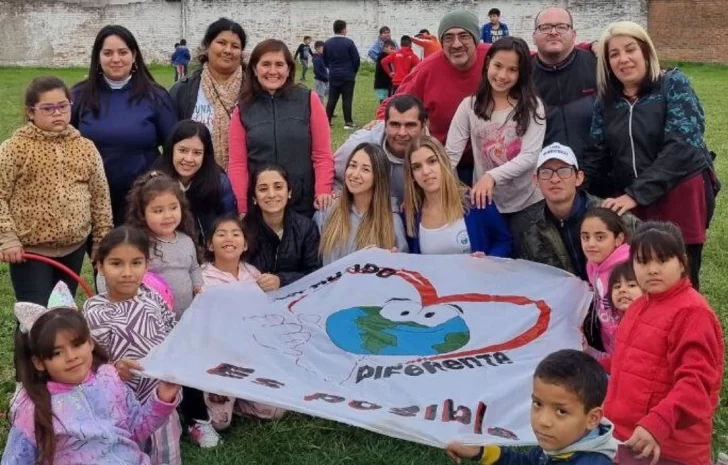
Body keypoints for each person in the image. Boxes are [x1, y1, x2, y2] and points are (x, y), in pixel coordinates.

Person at [584, 21, 717, 290]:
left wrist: (635, 193)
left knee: (679, 276)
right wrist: (570, 182)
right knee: (640, 275)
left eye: (630, 49)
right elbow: (596, 154)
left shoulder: (673, 84)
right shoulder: (606, 101)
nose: (623, 59)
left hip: (679, 193)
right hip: (632, 200)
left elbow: (683, 146)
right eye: (614, 54)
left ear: (645, 51)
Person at [603, 221, 724, 465]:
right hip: (629, 439)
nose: (652, 270)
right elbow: (626, 362)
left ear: (682, 263)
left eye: (663, 260)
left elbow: (696, 384)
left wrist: (657, 425)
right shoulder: (639, 306)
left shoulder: (693, 314)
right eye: (643, 261)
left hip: (668, 448)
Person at [3, 302, 180, 465]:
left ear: (90, 343)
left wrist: (162, 397)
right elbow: (16, 458)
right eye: (57, 353)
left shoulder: (110, 379)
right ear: (39, 363)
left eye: (77, 344)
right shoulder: (35, 407)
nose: (72, 357)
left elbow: (136, 428)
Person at [0, 76, 112, 305]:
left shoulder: (85, 148)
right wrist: (8, 238)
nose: (57, 113)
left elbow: (100, 197)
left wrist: (102, 240)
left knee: (62, 312)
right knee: (35, 317)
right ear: (31, 112)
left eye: (62, 106)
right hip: (31, 251)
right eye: (48, 108)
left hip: (74, 247)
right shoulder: (15, 148)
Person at [84, 226, 182, 463]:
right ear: (100, 266)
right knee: (128, 450)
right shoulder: (93, 311)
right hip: (121, 401)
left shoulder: (153, 297)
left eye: (136, 263)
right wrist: (113, 369)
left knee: (165, 450)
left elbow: (173, 330)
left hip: (160, 394)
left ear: (147, 265)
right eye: (116, 264)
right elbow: (90, 362)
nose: (127, 272)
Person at [71, 25, 176, 227]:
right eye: (108, 53)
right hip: (91, 198)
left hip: (142, 198)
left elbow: (173, 147)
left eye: (123, 52)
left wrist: (156, 181)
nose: (116, 59)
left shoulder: (156, 96)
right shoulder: (79, 96)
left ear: (134, 55)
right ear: (98, 57)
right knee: (104, 257)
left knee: (138, 256)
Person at [447, 349, 617, 465]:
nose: (543, 421)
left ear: (593, 418)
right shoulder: (562, 442)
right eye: (538, 404)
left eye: (561, 411)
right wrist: (480, 451)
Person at [229, 39, 334, 218]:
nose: (272, 71)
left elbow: (322, 155)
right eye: (266, 64)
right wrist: (241, 206)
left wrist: (323, 190)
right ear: (254, 69)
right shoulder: (243, 109)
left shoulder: (309, 100)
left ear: (288, 69)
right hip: (261, 207)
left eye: (279, 64)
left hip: (303, 204)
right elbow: (238, 164)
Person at [376, 11, 485, 184]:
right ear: (441, 42)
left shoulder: (494, 58)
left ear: (476, 39)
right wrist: (380, 120)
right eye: (448, 38)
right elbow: (396, 102)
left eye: (464, 36)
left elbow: (530, 59)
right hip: (445, 161)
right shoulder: (428, 68)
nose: (456, 44)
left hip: (492, 162)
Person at [199, 215, 286, 431]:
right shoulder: (202, 278)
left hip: (251, 358)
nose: (229, 238)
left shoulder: (253, 274)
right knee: (220, 423)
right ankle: (217, 397)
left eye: (236, 234)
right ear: (210, 244)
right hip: (219, 361)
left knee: (275, 411)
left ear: (245, 244)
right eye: (221, 234)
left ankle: (239, 400)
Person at [446, 36, 546, 217]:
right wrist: (450, 190)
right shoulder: (469, 106)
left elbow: (530, 156)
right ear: (487, 64)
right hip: (484, 203)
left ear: (521, 74)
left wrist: (492, 176)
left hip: (527, 203)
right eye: (498, 66)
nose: (502, 76)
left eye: (512, 70)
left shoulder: (533, 106)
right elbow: (451, 155)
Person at [510, 143, 639, 281]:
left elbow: (653, 249)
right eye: (546, 172)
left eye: (564, 171)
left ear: (579, 178)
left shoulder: (609, 214)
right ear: (536, 180)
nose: (555, 179)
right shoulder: (528, 226)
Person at [404, 136, 512, 257]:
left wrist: (489, 260)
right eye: (417, 167)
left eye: (432, 161)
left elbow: (504, 241)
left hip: (477, 276)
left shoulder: (475, 201)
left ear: (444, 162)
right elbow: (409, 258)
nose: (426, 171)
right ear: (412, 175)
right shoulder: (410, 214)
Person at [531, 7, 598, 188]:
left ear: (574, 34)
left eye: (561, 26)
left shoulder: (597, 65)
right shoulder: (523, 76)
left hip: (601, 177)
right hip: (547, 181)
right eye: (545, 27)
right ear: (534, 36)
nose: (553, 32)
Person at [169, 18, 247, 171]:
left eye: (235, 46)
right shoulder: (183, 90)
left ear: (241, 53)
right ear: (207, 46)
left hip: (244, 177)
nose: (228, 50)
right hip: (194, 176)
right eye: (221, 43)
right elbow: (171, 140)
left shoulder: (254, 89)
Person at [122, 171, 203, 319]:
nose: (168, 216)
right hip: (151, 322)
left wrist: (198, 285)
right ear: (142, 213)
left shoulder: (186, 240)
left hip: (186, 318)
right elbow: (112, 272)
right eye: (158, 211)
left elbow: (194, 268)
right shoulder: (139, 245)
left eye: (173, 208)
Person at [316, 143, 408, 265]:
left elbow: (402, 269)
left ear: (378, 177)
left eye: (365, 169)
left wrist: (395, 261)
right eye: (352, 166)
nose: (355, 174)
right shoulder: (326, 211)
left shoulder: (392, 222)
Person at [334, 95, 428, 207]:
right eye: (395, 125)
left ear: (423, 125)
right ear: (385, 124)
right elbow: (330, 176)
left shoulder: (433, 156)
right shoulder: (358, 147)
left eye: (410, 125)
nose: (402, 133)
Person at [154, 120, 237, 246]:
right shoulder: (155, 181)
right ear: (171, 150)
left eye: (197, 153)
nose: (189, 159)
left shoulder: (219, 183)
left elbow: (230, 224)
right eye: (182, 150)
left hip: (209, 255)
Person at [243, 164, 321, 291]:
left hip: (298, 300)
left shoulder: (306, 228)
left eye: (278, 187)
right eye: (263, 189)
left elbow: (316, 273)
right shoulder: (242, 231)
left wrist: (282, 280)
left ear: (289, 192)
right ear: (254, 198)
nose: (272, 194)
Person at [581, 208, 631, 359]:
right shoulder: (592, 265)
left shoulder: (629, 269)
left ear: (618, 239)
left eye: (600, 237)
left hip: (632, 349)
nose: (590, 244)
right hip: (610, 346)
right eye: (585, 237)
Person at [324, 19, 361, 129]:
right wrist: (353, 71)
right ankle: (348, 122)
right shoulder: (349, 42)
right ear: (344, 29)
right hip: (348, 74)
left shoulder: (328, 43)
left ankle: (326, 121)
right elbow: (356, 60)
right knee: (347, 98)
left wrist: (331, 68)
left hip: (334, 74)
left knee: (332, 99)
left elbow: (325, 59)